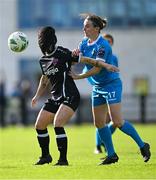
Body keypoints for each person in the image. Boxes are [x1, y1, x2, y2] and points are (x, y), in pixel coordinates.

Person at [31, 26, 118, 166]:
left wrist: (104, 65)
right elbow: (44, 79)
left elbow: (85, 59)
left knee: (57, 124)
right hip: (55, 97)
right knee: (39, 125)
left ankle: (63, 160)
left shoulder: (63, 52)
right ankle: (45, 156)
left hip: (70, 96)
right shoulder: (43, 60)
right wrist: (36, 96)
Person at [71, 14, 151, 164]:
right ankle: (112, 155)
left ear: (96, 28)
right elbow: (79, 59)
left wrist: (78, 77)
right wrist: (74, 56)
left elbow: (97, 69)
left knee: (117, 122)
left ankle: (143, 145)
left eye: (87, 26)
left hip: (111, 85)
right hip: (97, 87)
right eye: (84, 26)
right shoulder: (83, 43)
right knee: (99, 123)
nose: (84, 28)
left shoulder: (103, 46)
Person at [94, 34, 117, 154]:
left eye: (109, 41)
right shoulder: (98, 56)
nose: (107, 43)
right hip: (100, 89)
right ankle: (98, 146)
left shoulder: (114, 58)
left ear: (112, 44)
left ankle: (104, 142)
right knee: (101, 120)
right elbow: (88, 71)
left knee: (114, 121)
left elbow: (115, 73)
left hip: (111, 89)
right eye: (106, 41)